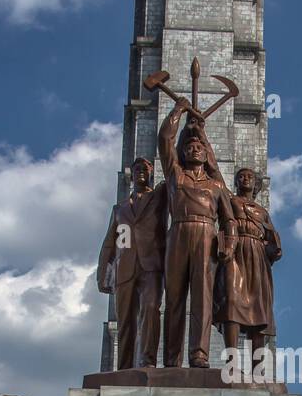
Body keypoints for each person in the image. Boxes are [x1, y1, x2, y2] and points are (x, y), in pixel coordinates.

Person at [158, 95, 235, 367]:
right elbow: (164, 141)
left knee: (202, 298)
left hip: (206, 235)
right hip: (178, 231)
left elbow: (229, 219)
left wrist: (230, 243)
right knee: (175, 296)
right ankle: (171, 357)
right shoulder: (174, 174)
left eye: (199, 147)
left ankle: (199, 353)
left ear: (206, 154)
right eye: (189, 146)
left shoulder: (216, 186)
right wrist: (177, 111)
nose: (194, 150)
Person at [96, 155, 168, 370]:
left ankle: (148, 360)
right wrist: (103, 274)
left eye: (145, 169)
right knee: (125, 319)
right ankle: (124, 367)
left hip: (151, 265)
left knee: (151, 309)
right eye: (137, 170)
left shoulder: (159, 198)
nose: (141, 173)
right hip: (124, 267)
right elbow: (109, 243)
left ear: (152, 173)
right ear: (132, 175)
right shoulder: (119, 209)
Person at [215, 166, 281, 365]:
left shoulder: (263, 212)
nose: (245, 179)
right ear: (235, 182)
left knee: (259, 310)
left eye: (249, 177)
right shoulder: (229, 200)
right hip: (235, 251)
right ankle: (232, 362)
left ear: (256, 185)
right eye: (241, 176)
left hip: (257, 258)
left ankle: (257, 367)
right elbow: (215, 175)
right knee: (231, 301)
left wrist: (274, 248)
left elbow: (272, 239)